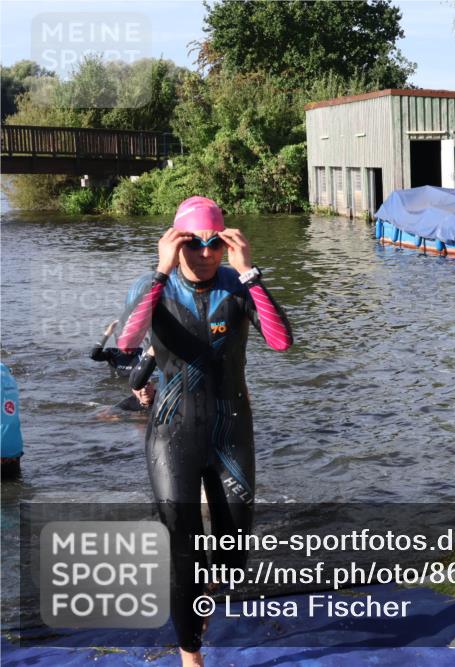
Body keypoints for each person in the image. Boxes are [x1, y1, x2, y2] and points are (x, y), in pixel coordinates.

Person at [115, 196, 293, 666]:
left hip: (231, 431)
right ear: (176, 243)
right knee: (182, 549)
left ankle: (205, 593)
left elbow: (281, 341)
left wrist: (251, 271)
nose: (206, 253)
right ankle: (190, 657)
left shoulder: (238, 285)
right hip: (172, 436)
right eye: (193, 243)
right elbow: (128, 341)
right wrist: (159, 270)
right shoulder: (153, 285)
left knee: (233, 559)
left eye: (214, 243)